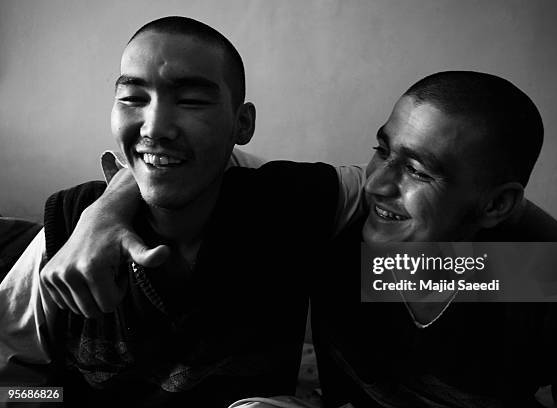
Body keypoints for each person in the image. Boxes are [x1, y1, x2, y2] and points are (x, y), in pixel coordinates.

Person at [32, 71, 557, 407]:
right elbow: (192, 162)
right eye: (383, 148)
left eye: (418, 169)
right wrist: (102, 214)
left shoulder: (536, 294)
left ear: (498, 204)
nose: (379, 180)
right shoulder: (337, 223)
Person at [0, 16, 361, 407]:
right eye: (133, 99)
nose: (154, 128)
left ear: (242, 123)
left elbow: (400, 196)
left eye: (190, 100)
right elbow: (10, 383)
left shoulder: (286, 207)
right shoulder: (67, 232)